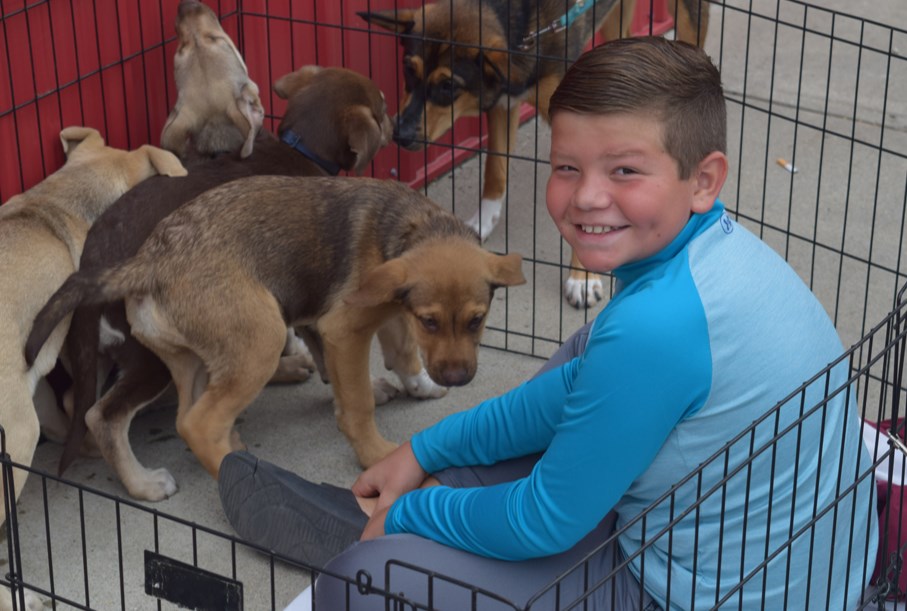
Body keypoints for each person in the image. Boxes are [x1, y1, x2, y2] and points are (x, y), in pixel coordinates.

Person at [218, 36, 877, 610]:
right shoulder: (718, 257)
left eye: (624, 169)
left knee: (364, 577)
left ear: (703, 179)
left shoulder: (655, 326)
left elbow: (543, 524)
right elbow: (566, 393)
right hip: (813, 572)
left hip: (685, 592)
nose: (586, 196)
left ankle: (390, 528)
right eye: (567, 167)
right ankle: (416, 519)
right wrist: (422, 448)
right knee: (583, 357)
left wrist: (412, 512)